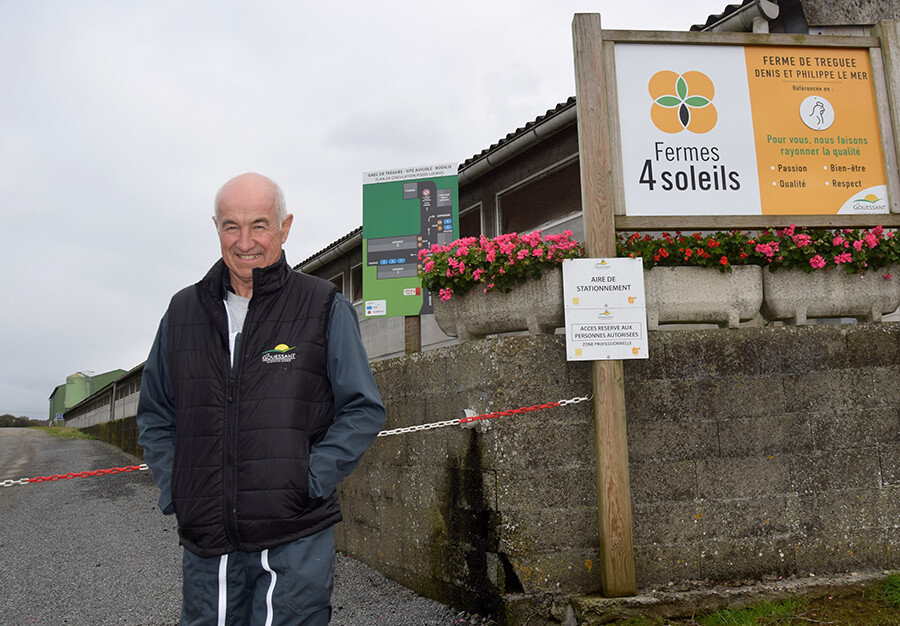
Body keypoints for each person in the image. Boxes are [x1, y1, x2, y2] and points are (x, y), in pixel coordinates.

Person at [137, 172, 386, 625]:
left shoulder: (322, 305)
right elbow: (156, 414)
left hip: (294, 537)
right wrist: (178, 485)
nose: (245, 240)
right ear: (216, 228)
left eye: (259, 224)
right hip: (208, 540)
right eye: (231, 225)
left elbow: (362, 409)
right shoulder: (182, 313)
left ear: (285, 227)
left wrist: (306, 480)